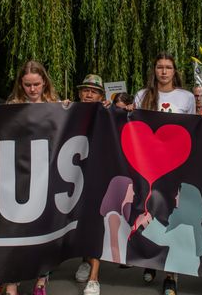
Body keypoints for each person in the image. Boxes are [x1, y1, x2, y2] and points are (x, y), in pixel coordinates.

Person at [132, 53, 195, 295]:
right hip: (147, 166)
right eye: (160, 67)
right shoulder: (142, 95)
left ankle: (171, 274)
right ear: (154, 70)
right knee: (148, 211)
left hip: (175, 165)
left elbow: (193, 128)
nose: (164, 71)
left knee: (171, 215)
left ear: (175, 70)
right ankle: (151, 262)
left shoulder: (186, 97)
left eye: (168, 67)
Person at [2, 61, 59, 295]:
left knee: (42, 229)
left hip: (45, 174)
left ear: (44, 82)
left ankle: (41, 279)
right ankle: (12, 282)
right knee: (14, 230)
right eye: (28, 85)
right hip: (17, 173)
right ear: (21, 84)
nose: (33, 89)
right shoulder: (12, 106)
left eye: (36, 84)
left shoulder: (55, 105)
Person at [71, 74, 109, 295]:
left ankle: (94, 276)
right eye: (85, 90)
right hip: (73, 174)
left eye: (93, 91)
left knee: (95, 220)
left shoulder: (106, 113)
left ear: (101, 96)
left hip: (98, 173)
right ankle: (85, 261)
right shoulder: (69, 112)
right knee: (79, 219)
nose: (88, 94)